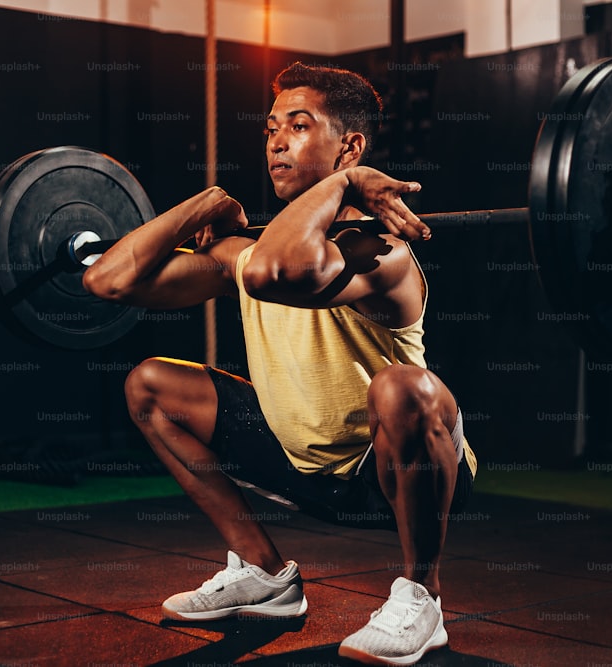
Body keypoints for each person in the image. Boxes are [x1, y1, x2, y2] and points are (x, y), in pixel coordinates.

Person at [83, 62, 477, 666]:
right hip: (302, 465)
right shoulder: (250, 249)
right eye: (271, 128)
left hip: (389, 476)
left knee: (404, 388)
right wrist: (201, 207)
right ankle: (266, 577)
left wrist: (344, 187)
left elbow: (280, 272)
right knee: (150, 385)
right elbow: (107, 280)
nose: (277, 141)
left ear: (350, 146)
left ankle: (422, 597)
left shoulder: (384, 252)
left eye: (298, 125)